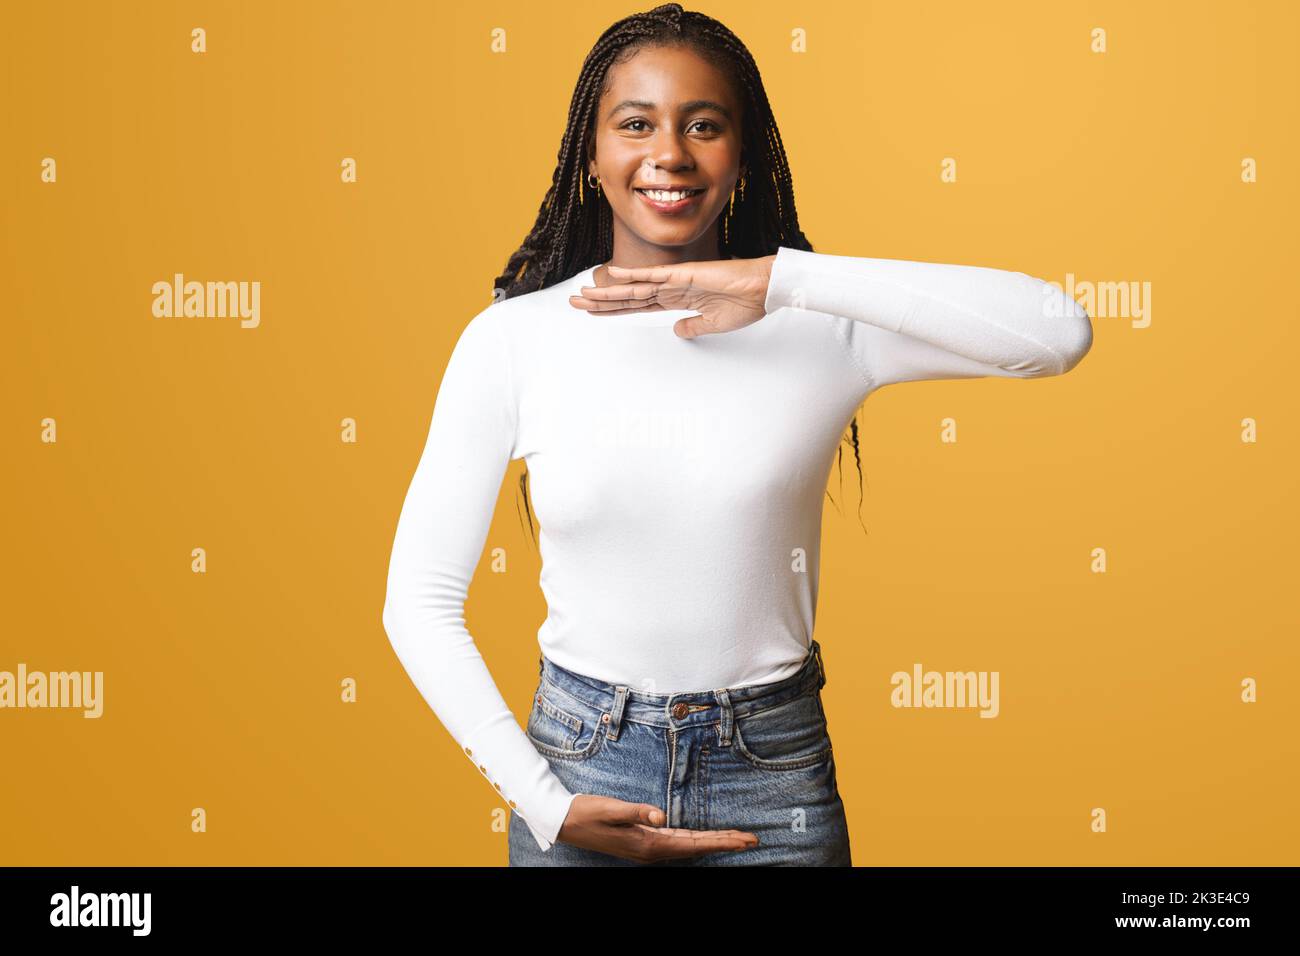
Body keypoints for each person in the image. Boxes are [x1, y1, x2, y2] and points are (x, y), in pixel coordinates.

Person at [381, 3, 1093, 867]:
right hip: (581, 764)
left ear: (743, 153)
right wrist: (544, 804)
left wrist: (781, 279)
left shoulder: (819, 325)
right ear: (592, 152)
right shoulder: (512, 340)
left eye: (705, 126)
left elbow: (1056, 332)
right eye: (636, 123)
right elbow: (418, 602)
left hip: (773, 777)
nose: (669, 154)